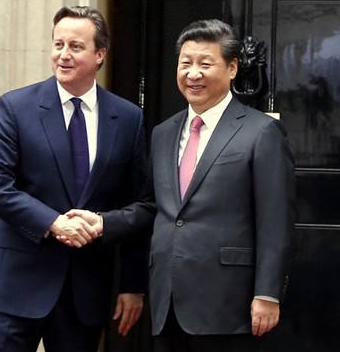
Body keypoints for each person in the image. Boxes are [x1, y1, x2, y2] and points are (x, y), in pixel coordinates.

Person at [65, 19, 295, 352]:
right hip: (168, 300)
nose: (193, 73)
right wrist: (103, 223)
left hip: (230, 303)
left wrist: (267, 293)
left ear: (232, 68)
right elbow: (152, 208)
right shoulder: (163, 133)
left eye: (205, 64)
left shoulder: (261, 132)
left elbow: (276, 220)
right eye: (185, 63)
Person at [0, 6, 147, 352]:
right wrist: (53, 222)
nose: (63, 55)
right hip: (16, 285)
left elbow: (139, 205)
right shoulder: (16, 107)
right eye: (58, 44)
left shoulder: (128, 118)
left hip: (85, 290)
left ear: (100, 54)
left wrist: (132, 284)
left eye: (75, 46)